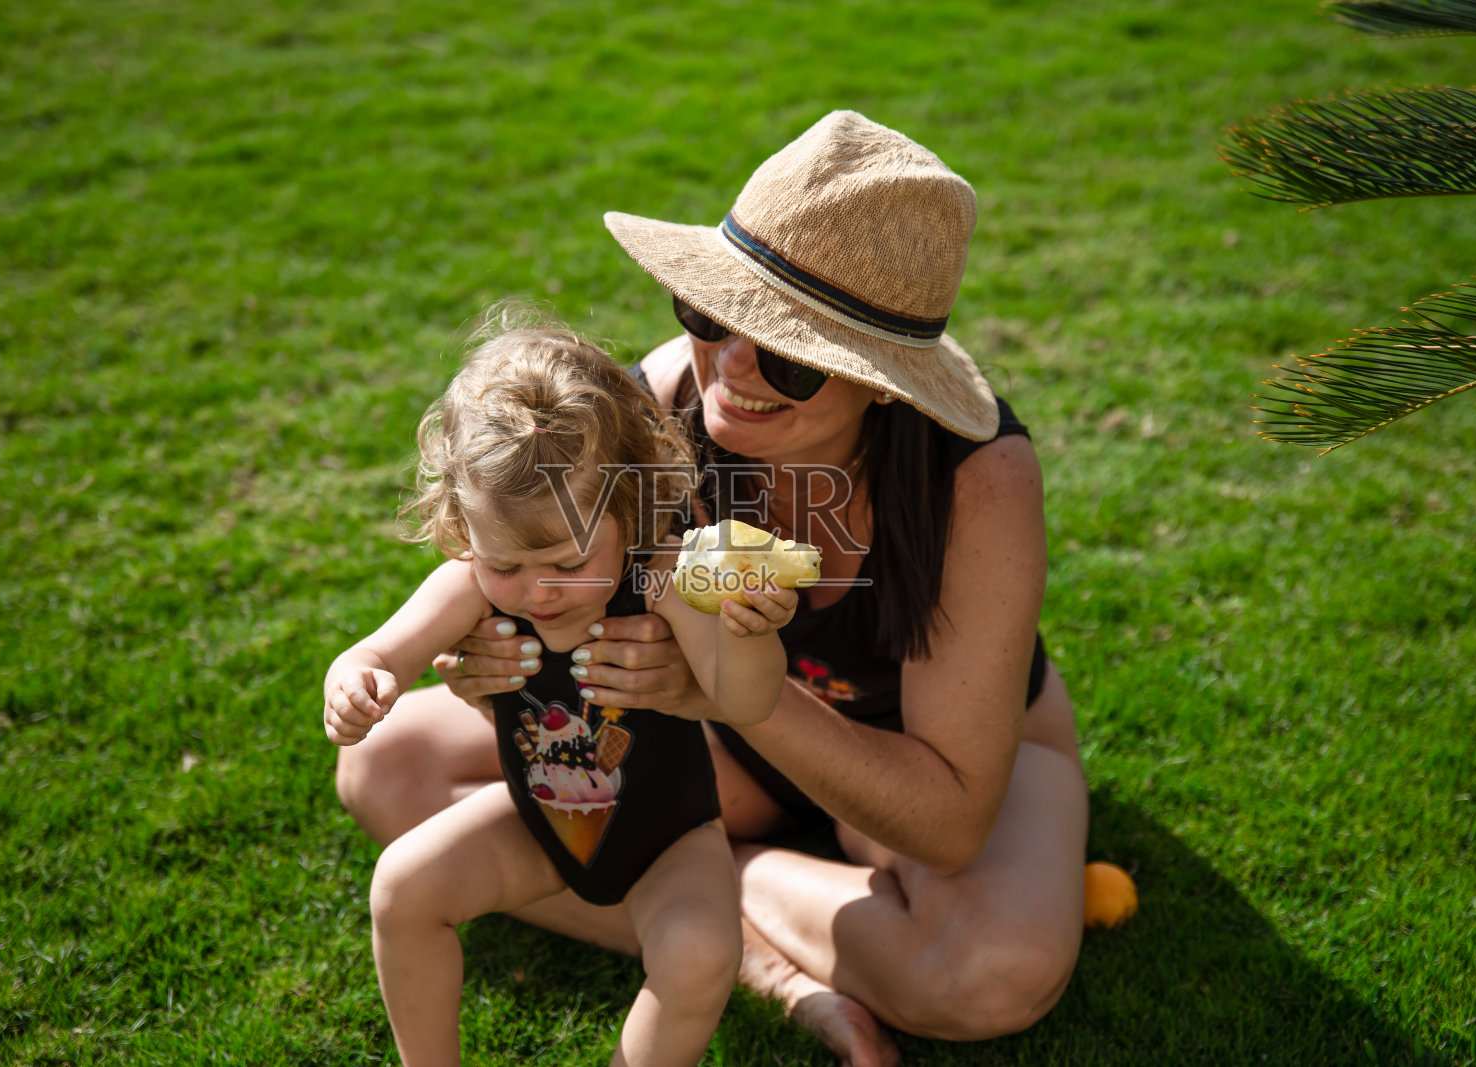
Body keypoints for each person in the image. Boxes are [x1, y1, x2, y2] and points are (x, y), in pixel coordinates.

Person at [336, 111, 1088, 1067]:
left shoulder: (975, 479)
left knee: (991, 971)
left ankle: (708, 884)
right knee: (386, 767)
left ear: (883, 380)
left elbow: (949, 825)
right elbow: (520, 566)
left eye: (788, 355)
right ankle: (751, 950)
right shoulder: (656, 414)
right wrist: (492, 665)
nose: (731, 366)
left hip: (918, 761)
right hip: (716, 753)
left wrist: (711, 694)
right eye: (713, 314)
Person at [323, 321, 801, 1067]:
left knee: (700, 955)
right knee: (402, 889)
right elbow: (378, 652)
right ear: (464, 530)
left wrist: (749, 631)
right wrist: (357, 681)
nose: (537, 590)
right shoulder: (469, 583)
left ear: (629, 510)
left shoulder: (662, 576)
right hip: (538, 821)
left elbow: (745, 702)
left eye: (570, 562)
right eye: (505, 565)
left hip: (670, 837)